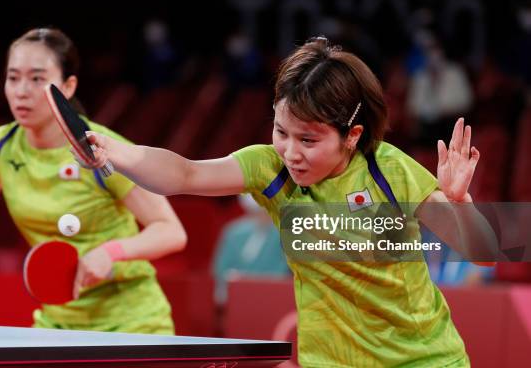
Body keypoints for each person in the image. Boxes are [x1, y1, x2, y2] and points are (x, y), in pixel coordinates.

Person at [80, 37, 498, 367]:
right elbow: (184, 174)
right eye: (281, 131)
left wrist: (460, 202)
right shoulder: (272, 170)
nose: (291, 151)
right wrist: (118, 153)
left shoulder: (387, 170)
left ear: (351, 136)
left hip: (421, 361)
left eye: (308, 140)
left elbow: (484, 254)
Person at [0, 27, 187, 334]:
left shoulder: (103, 151)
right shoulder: (0, 147)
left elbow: (171, 231)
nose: (21, 90)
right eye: (13, 77)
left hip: (133, 324)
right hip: (58, 322)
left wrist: (111, 252)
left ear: (68, 87)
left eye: (36, 79)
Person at [212, 193, 289, 305]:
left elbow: (282, 273)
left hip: (271, 299)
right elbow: (220, 269)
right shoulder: (233, 232)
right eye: (256, 213)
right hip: (235, 299)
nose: (261, 217)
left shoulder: (283, 234)